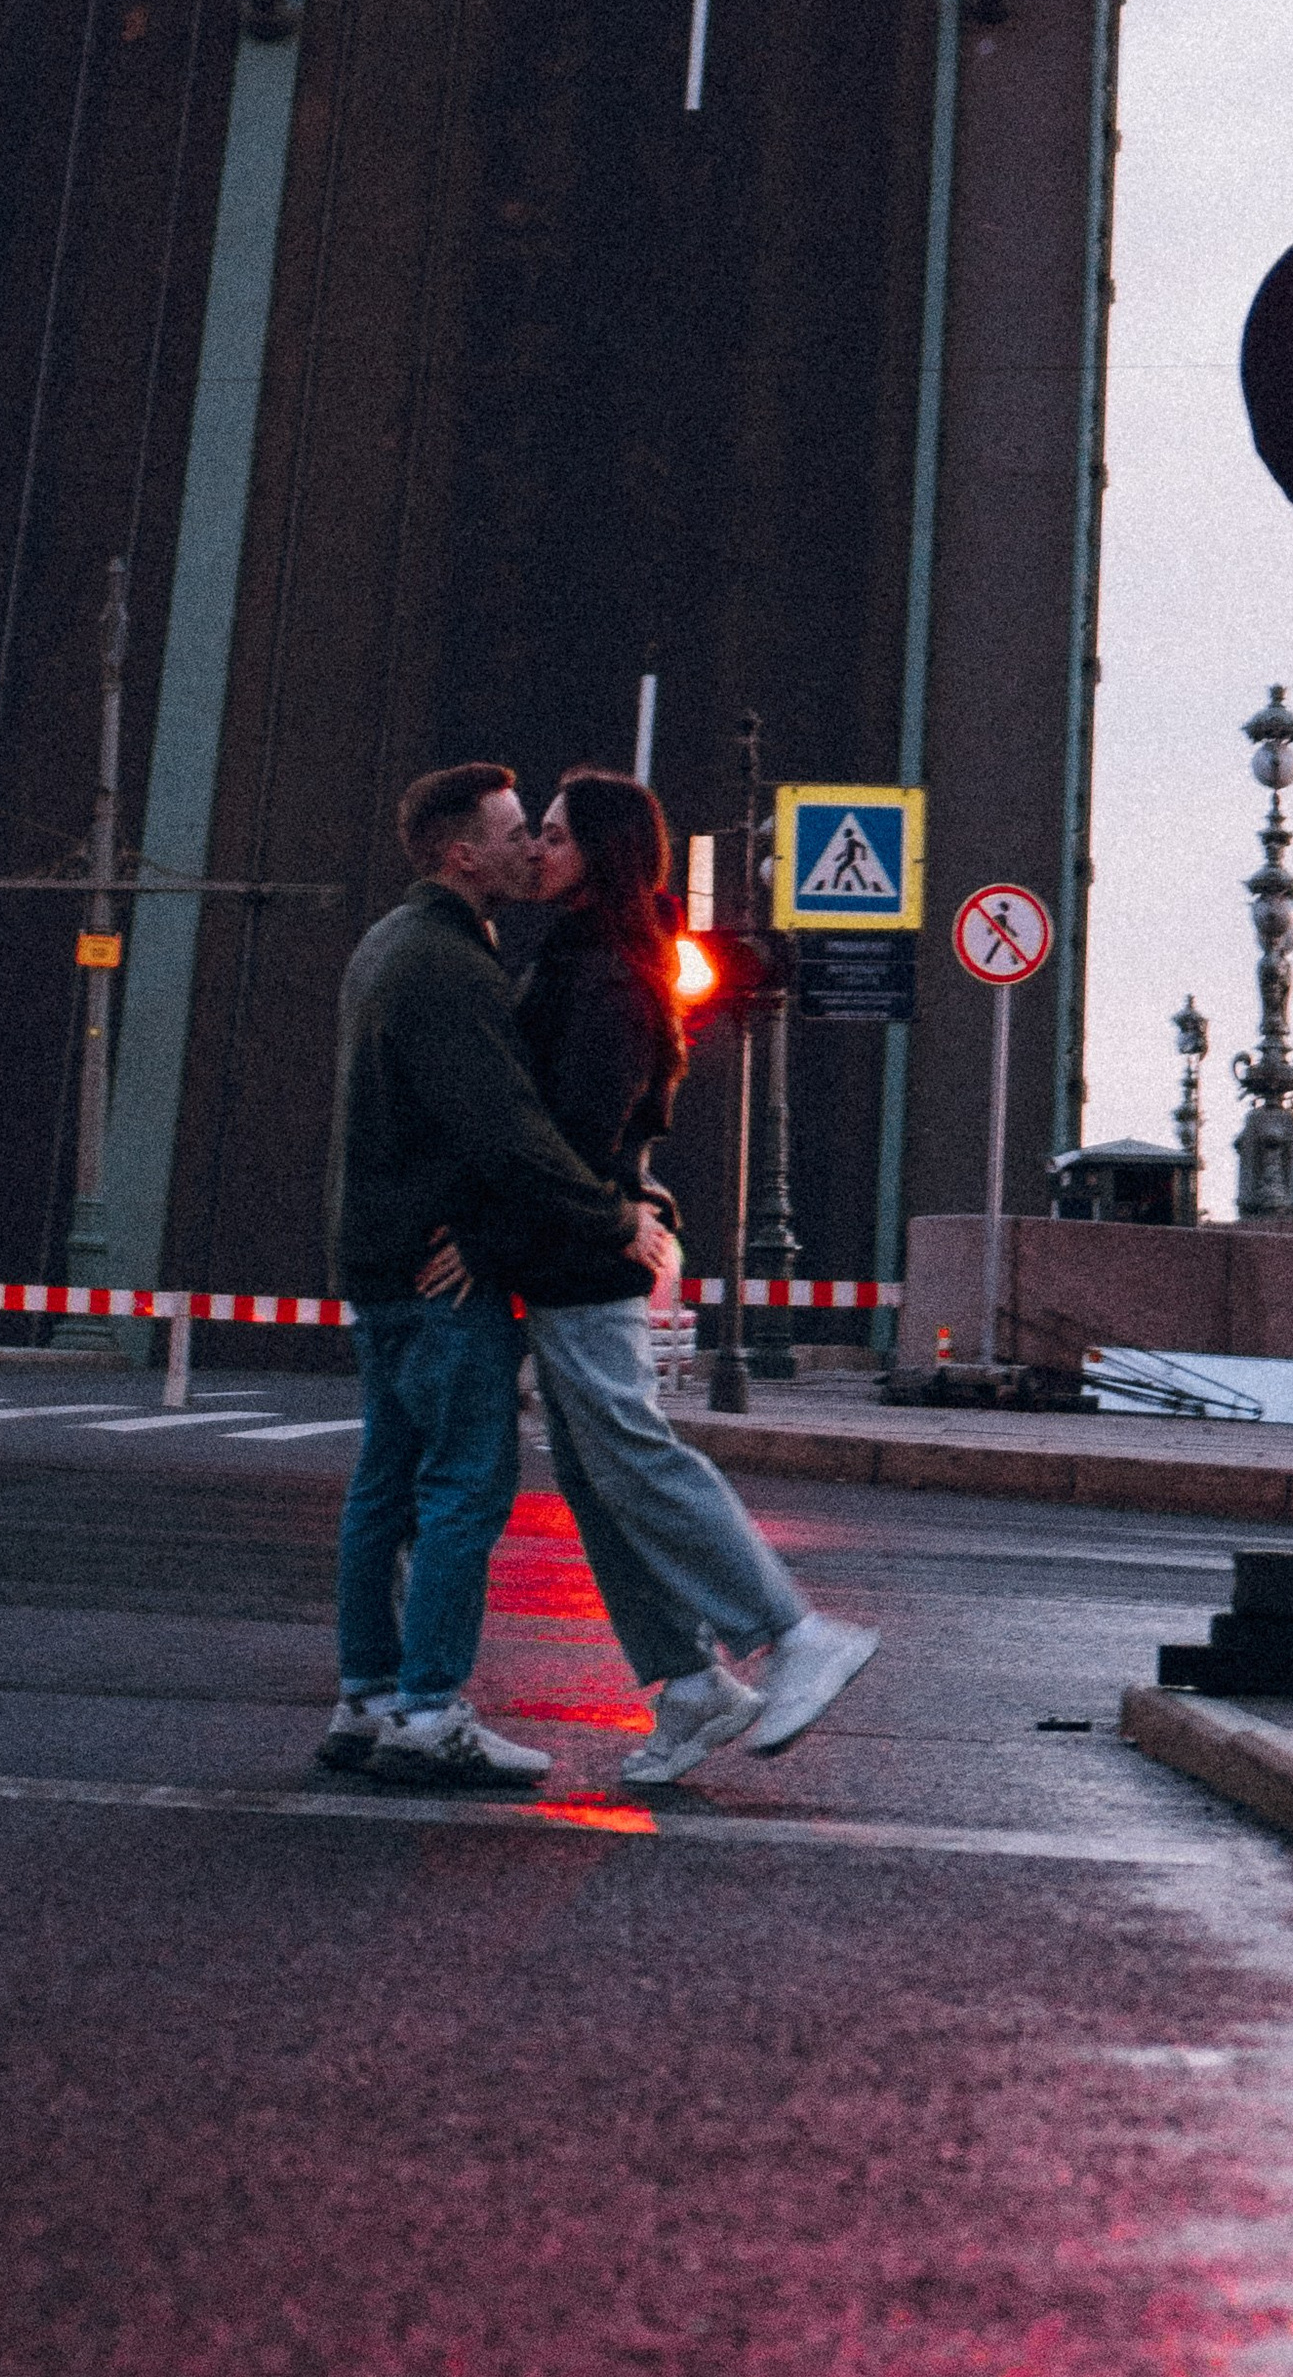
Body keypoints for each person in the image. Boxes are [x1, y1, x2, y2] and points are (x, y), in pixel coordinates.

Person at [492, 768, 879, 1788]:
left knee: (632, 1451)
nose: (539, 849)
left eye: (557, 835)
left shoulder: (606, 978)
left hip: (583, 1257)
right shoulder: (586, 959)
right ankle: (691, 1682)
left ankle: (793, 1632)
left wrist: (601, 1209)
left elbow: (580, 1136)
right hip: (571, 1250)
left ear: (602, 855)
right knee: (595, 1475)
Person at [322, 760, 678, 1791]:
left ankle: (367, 1697)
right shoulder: (451, 964)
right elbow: (510, 1132)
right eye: (516, 831)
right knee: (464, 1488)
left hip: (379, 1258)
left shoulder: (390, 942)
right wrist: (613, 1217)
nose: (531, 847)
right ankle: (430, 1715)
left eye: (541, 831)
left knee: (384, 1486)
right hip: (442, 1273)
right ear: (462, 854)